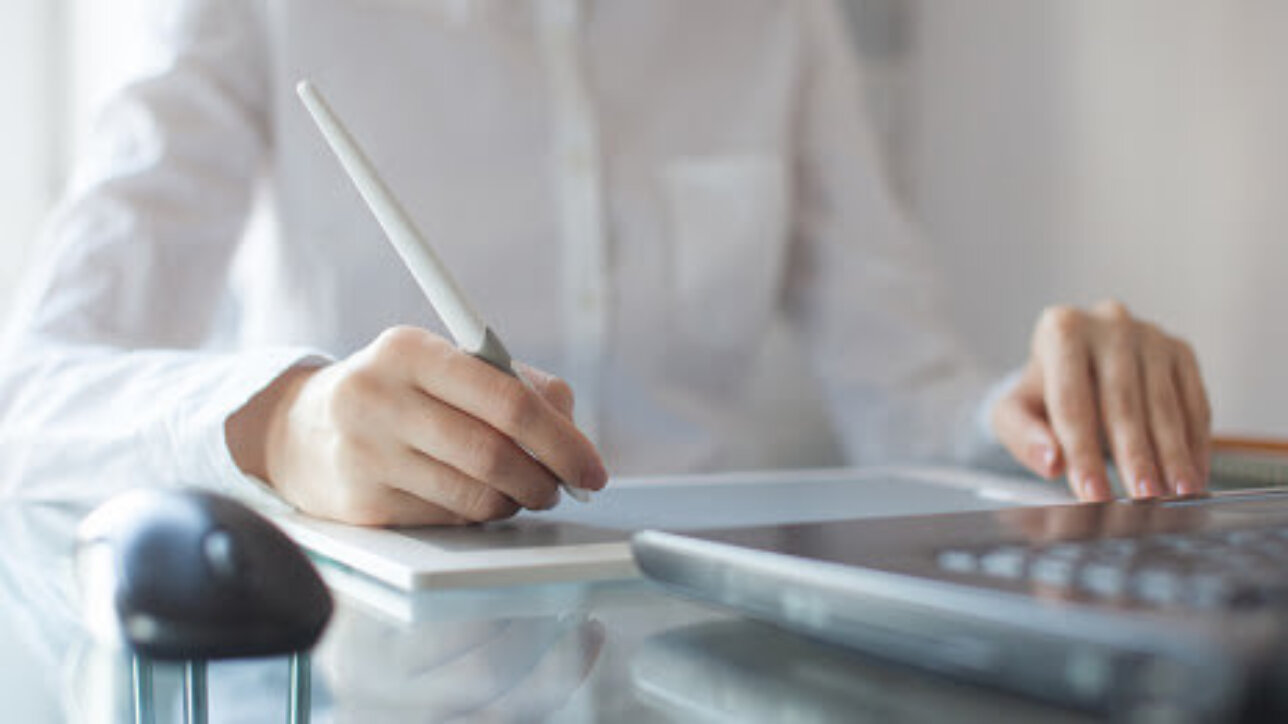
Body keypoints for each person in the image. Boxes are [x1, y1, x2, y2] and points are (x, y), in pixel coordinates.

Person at [0, 0, 1209, 526]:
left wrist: (1041, 411)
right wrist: (286, 426)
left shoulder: (773, 22)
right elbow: (31, 401)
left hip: (697, 660)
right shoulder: (249, 12)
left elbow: (907, 397)